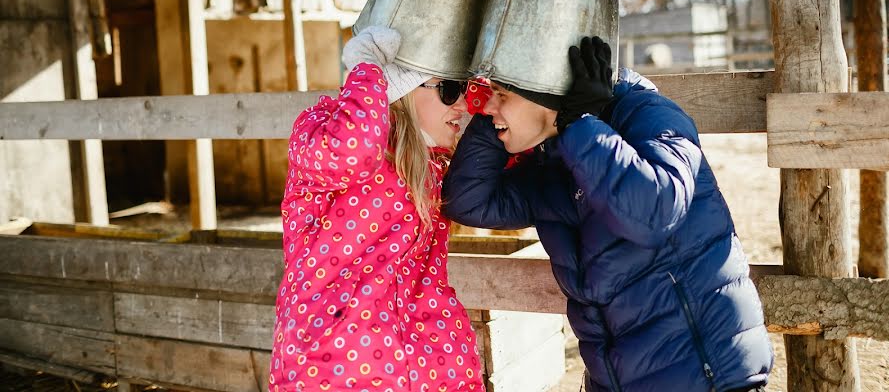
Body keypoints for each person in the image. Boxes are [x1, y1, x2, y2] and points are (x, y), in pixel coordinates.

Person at [443, 36, 774, 392]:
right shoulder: (552, 160)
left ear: (548, 89)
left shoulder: (646, 115)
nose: (487, 106)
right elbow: (467, 201)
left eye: (502, 95)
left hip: (705, 378)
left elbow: (654, 213)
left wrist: (578, 124)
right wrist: (504, 123)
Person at [269, 25, 485, 392]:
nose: (462, 105)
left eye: (463, 90)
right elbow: (352, 148)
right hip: (331, 371)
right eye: (450, 89)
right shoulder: (323, 133)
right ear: (399, 90)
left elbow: (512, 155)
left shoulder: (435, 166)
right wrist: (367, 70)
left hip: (429, 368)